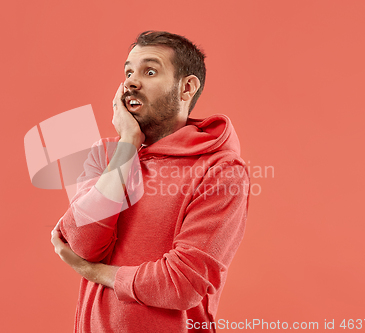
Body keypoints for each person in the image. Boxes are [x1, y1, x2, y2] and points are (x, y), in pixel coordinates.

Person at [51, 30, 250, 333]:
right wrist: (128, 144)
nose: (131, 82)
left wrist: (92, 272)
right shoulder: (106, 155)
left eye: (150, 71)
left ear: (186, 88)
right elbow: (82, 245)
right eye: (128, 71)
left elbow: (181, 283)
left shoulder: (221, 170)